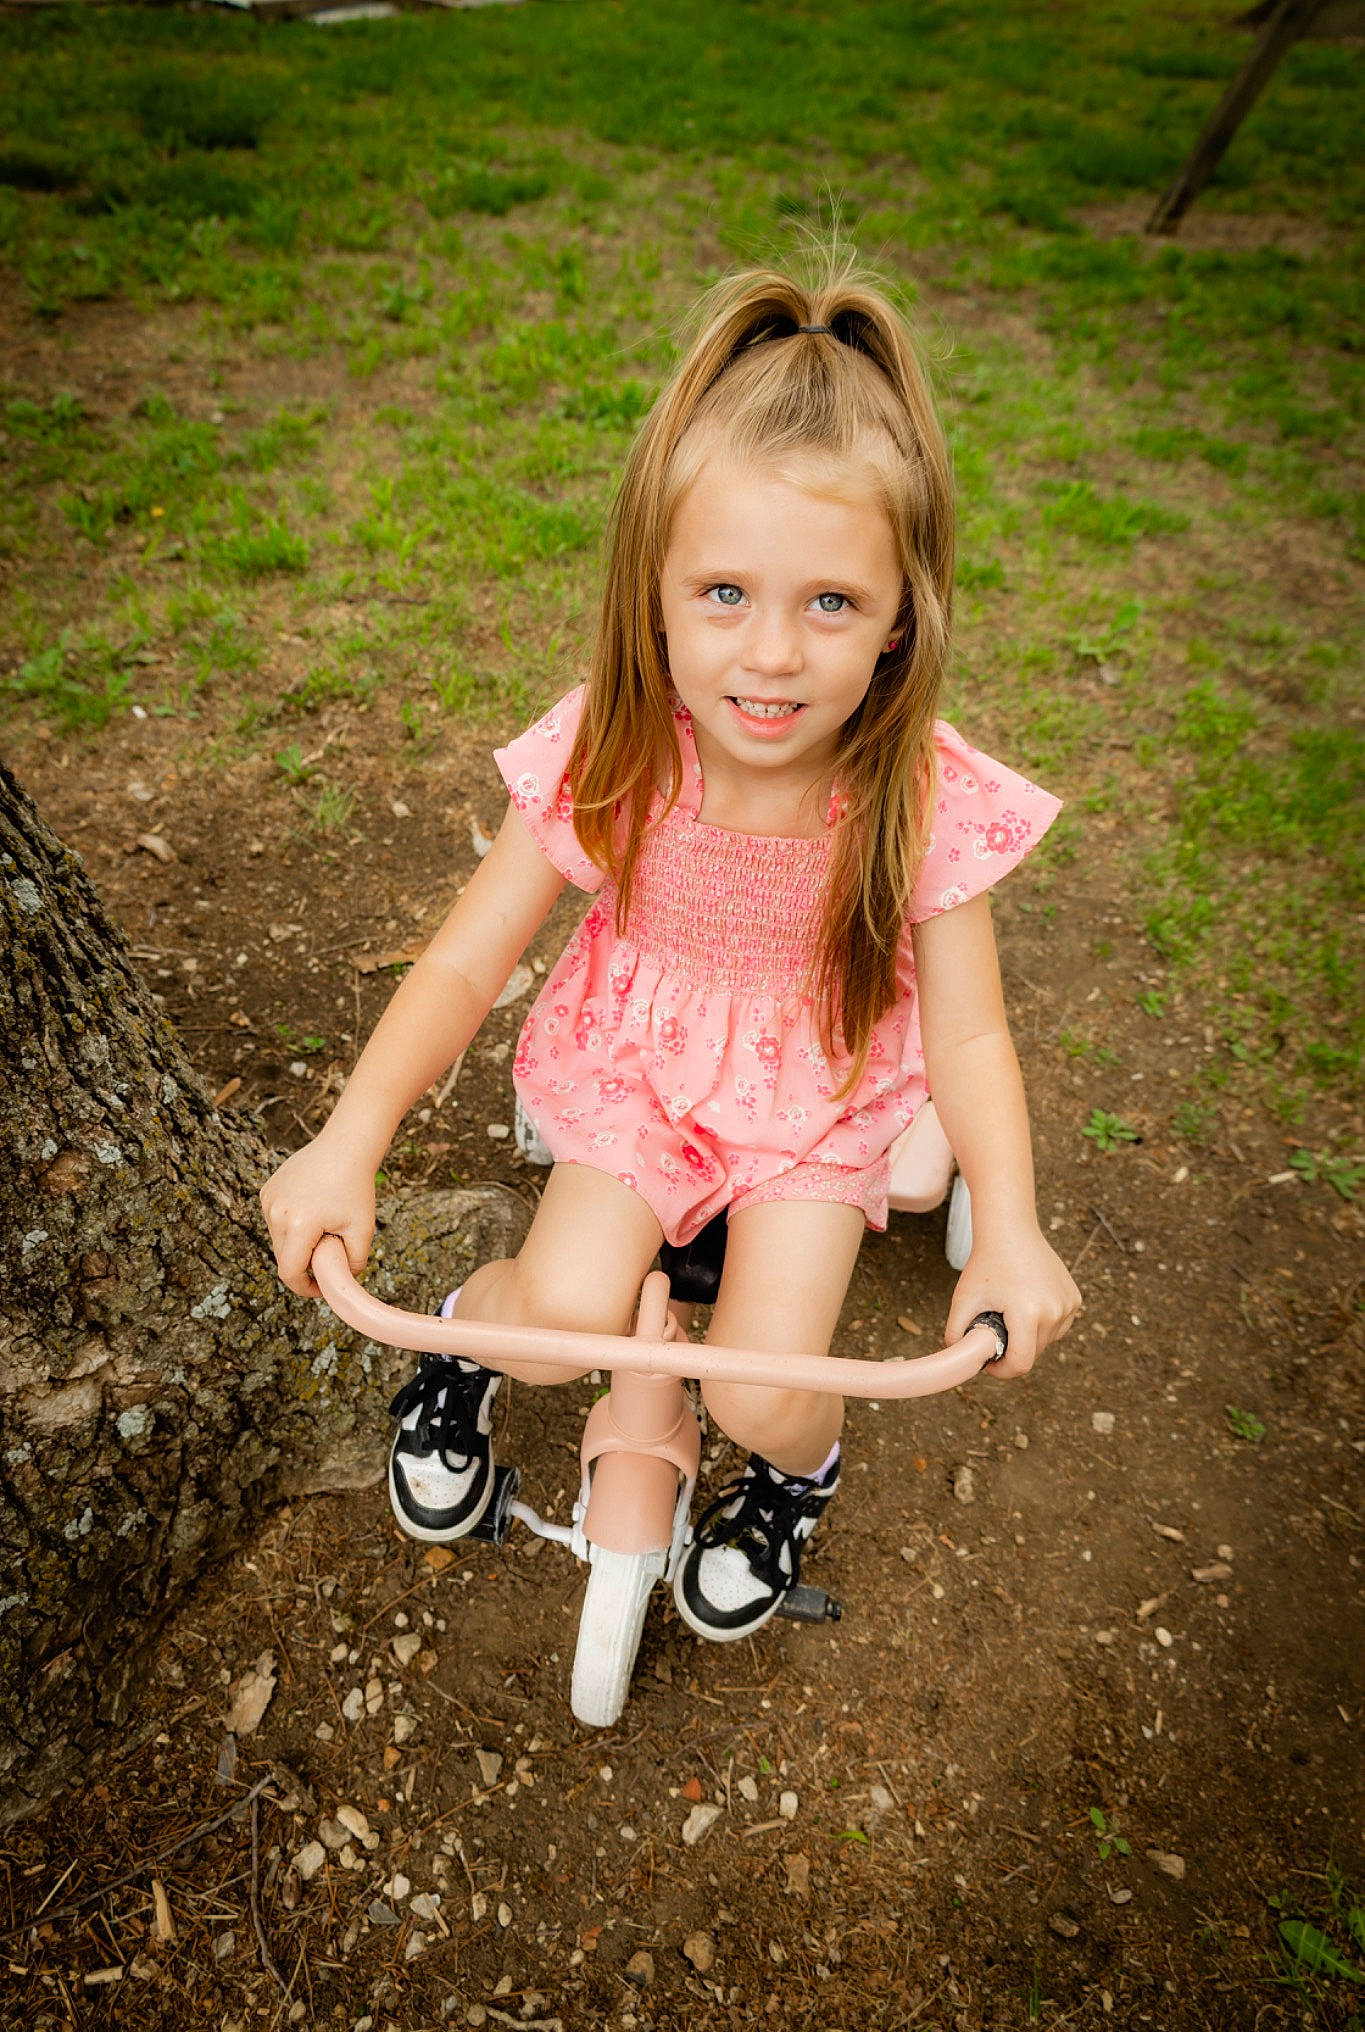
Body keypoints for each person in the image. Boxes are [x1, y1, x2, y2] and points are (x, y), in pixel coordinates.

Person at [261, 253, 1082, 1645]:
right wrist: (351, 1140)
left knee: (762, 1388)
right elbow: (464, 962)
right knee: (552, 1320)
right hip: (636, 1073)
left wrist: (1005, 1225)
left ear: (900, 617)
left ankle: (796, 1474)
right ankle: (465, 1340)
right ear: (654, 589)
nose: (772, 655)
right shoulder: (621, 744)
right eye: (723, 593)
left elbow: (969, 1031)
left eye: (831, 603)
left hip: (815, 1100)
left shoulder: (916, 791)